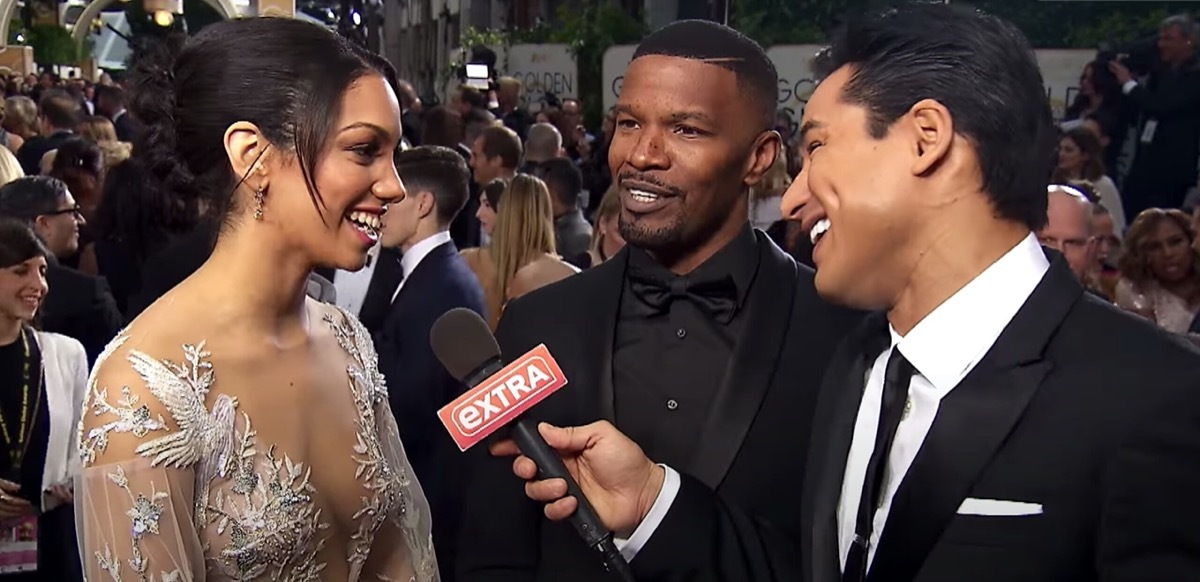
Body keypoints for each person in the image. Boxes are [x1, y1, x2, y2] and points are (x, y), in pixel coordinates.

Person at [499, 5, 1200, 582]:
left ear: (926, 139)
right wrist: (654, 502)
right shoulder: (860, 365)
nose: (796, 197)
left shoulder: (1158, 398)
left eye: (821, 148)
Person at [457, 19, 861, 581]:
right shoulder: (532, 323)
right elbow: (490, 556)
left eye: (686, 130)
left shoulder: (844, 339)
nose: (641, 155)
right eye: (628, 123)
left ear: (759, 158)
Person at [74, 19, 439, 581]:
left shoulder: (348, 340)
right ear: (253, 156)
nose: (394, 186)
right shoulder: (142, 388)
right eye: (365, 149)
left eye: (395, 152)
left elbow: (403, 557)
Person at [375, 145, 486, 580]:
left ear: (422, 204)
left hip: (432, 495)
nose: (380, 208)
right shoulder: (438, 276)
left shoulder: (442, 287)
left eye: (392, 198)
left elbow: (414, 404)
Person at [0, 219, 86, 581]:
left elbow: (86, 447)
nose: (39, 285)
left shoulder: (66, 355)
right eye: (22, 271)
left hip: (49, 548)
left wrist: (71, 481)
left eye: (42, 271)